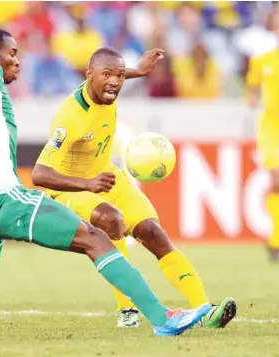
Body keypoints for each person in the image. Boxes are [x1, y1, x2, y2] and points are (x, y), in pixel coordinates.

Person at [0, 27, 211, 336]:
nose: (18, 62)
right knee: (96, 238)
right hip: (0, 196)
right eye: (12, 54)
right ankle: (162, 317)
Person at [32, 47, 237, 329]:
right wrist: (87, 184)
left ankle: (205, 310)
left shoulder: (106, 87)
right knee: (111, 220)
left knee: (153, 233)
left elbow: (113, 73)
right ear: (88, 75)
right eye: (107, 74)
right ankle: (127, 309)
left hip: (105, 177)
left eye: (119, 74)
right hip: (72, 188)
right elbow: (39, 174)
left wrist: (140, 71)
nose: (115, 81)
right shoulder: (69, 119)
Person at [246, 39, 279, 260]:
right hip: (271, 129)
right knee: (276, 180)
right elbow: (251, 90)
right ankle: (275, 241)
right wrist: (253, 100)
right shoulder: (263, 59)